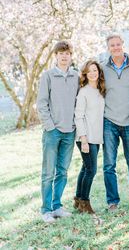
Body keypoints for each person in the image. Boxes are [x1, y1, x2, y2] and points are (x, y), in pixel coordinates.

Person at [37, 41, 79, 223]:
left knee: (62, 171)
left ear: (71, 56)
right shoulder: (48, 76)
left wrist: (76, 126)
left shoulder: (76, 76)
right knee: (48, 172)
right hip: (52, 132)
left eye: (67, 53)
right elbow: (41, 103)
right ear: (56, 56)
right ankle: (46, 210)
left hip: (70, 132)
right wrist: (50, 126)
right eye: (61, 53)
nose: (64, 56)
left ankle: (57, 206)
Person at [102, 34, 129, 211]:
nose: (116, 47)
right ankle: (113, 201)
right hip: (109, 121)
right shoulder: (102, 69)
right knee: (109, 165)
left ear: (123, 45)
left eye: (118, 44)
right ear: (108, 47)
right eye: (112, 45)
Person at [73, 60, 105, 215]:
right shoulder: (83, 92)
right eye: (89, 71)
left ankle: (78, 199)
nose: (93, 73)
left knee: (85, 168)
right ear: (85, 74)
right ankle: (85, 202)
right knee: (91, 170)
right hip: (86, 137)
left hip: (96, 136)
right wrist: (83, 139)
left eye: (95, 70)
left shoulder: (100, 90)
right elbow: (78, 117)